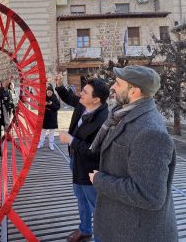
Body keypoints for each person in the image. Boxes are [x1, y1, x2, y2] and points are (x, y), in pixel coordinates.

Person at [89, 65, 178, 242]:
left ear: (135, 91)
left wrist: (100, 181)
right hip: (118, 225)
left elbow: (150, 195)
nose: (112, 87)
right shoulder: (120, 114)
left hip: (135, 233)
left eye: (118, 84)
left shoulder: (150, 132)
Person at [55, 74, 109, 242]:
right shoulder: (83, 105)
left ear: (96, 100)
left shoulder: (104, 120)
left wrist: (71, 140)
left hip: (91, 170)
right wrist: (59, 86)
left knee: (96, 206)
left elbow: (94, 151)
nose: (81, 94)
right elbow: (69, 97)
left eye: (85, 92)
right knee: (80, 198)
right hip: (76, 161)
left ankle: (102, 238)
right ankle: (85, 229)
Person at [37, 86, 60, 150]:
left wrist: (52, 104)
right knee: (43, 131)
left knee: (52, 131)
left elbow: (58, 107)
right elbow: (39, 105)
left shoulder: (55, 98)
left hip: (52, 117)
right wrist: (43, 104)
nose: (49, 93)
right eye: (48, 92)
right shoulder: (43, 97)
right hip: (45, 117)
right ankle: (41, 143)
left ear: (52, 92)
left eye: (50, 92)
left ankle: (51, 144)